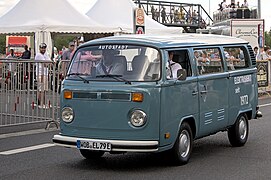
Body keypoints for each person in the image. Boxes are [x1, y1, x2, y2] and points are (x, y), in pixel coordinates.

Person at [35, 43, 50, 108]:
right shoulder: (38, 55)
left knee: (42, 89)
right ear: (39, 48)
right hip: (40, 74)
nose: (43, 49)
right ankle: (41, 104)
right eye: (42, 48)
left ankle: (39, 102)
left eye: (44, 48)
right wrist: (48, 63)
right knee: (41, 89)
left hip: (45, 73)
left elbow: (50, 63)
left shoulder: (46, 54)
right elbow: (46, 64)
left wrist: (49, 63)